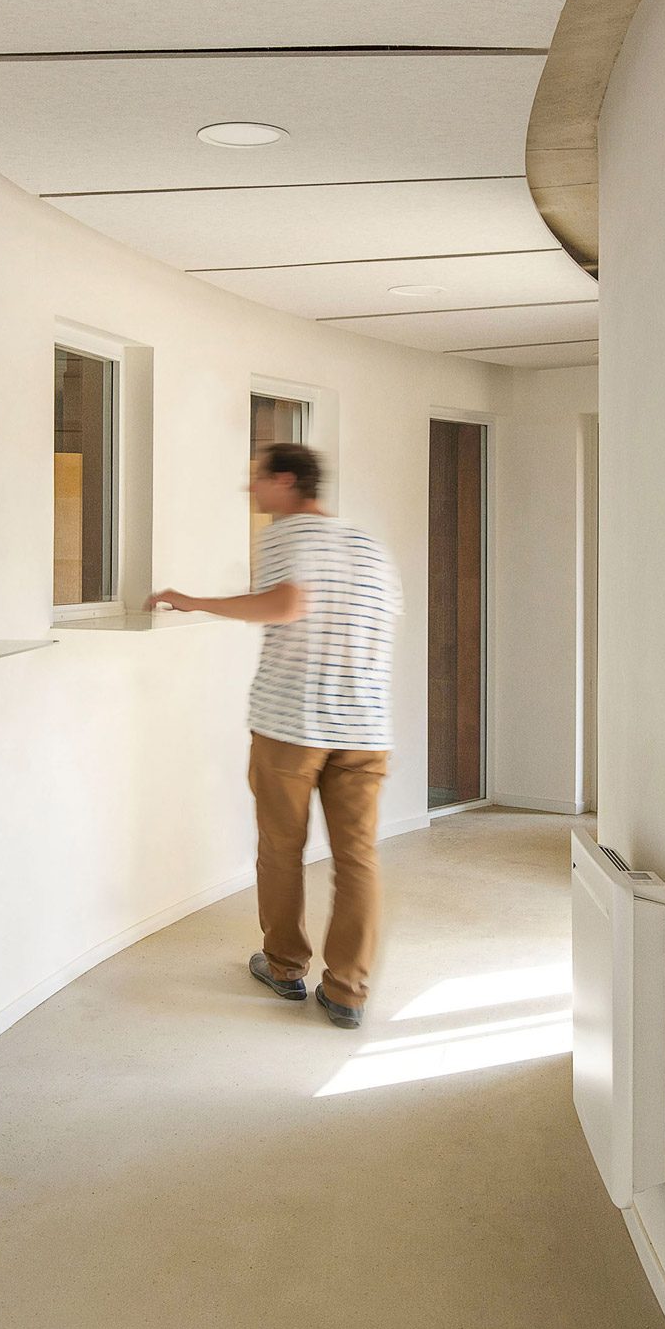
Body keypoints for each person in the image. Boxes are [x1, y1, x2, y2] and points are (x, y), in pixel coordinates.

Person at [148, 441, 401, 1029]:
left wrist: (193, 601)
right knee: (357, 859)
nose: (250, 489)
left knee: (282, 851)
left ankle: (285, 966)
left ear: (286, 482)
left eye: (256, 478)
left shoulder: (287, 534)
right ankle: (347, 992)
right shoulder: (368, 545)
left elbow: (286, 606)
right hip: (365, 728)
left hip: (293, 725)